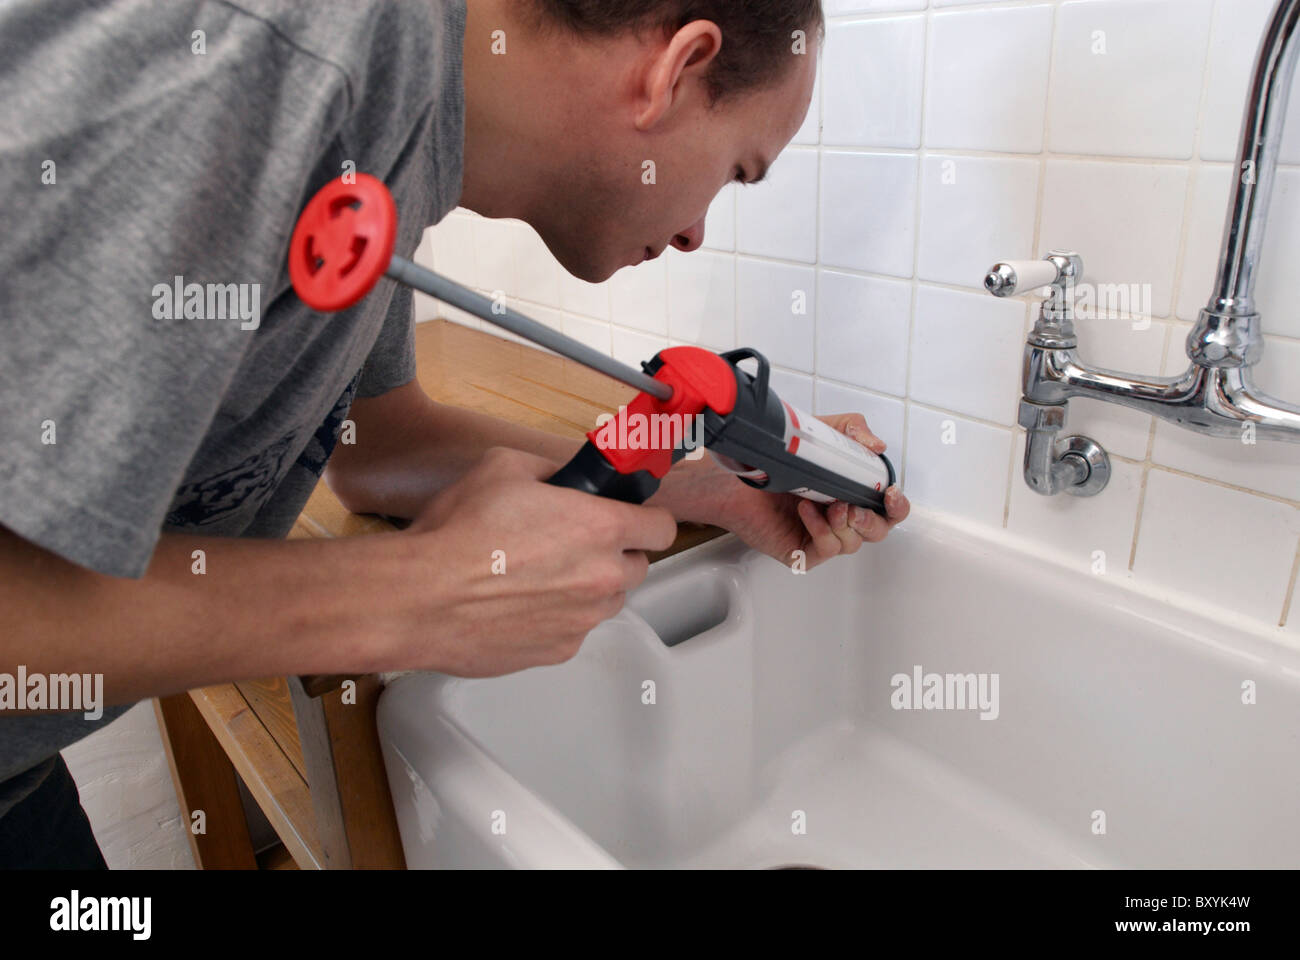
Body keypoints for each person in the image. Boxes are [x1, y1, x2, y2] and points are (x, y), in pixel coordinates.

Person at [0, 0, 909, 868]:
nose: (699, 234)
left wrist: (701, 486)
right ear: (679, 68)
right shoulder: (286, 48)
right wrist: (413, 596)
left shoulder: (402, 127)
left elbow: (382, 450)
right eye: (738, 169)